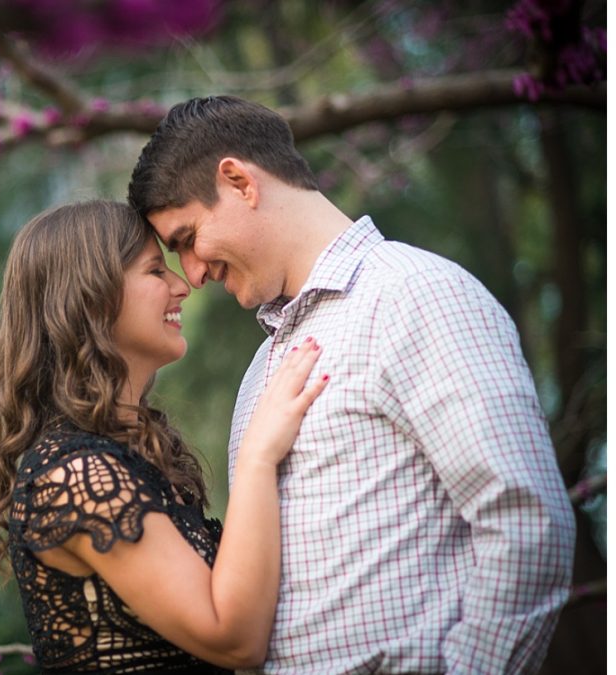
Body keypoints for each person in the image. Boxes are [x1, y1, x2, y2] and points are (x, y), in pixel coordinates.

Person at [127, 95, 576, 674]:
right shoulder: (262, 372)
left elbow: (526, 524)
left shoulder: (417, 295)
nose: (192, 274)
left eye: (187, 238)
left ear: (239, 181)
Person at [0, 200, 330, 673]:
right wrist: (259, 456)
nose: (183, 286)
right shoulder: (76, 476)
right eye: (156, 270)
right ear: (92, 298)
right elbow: (233, 639)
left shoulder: (130, 456)